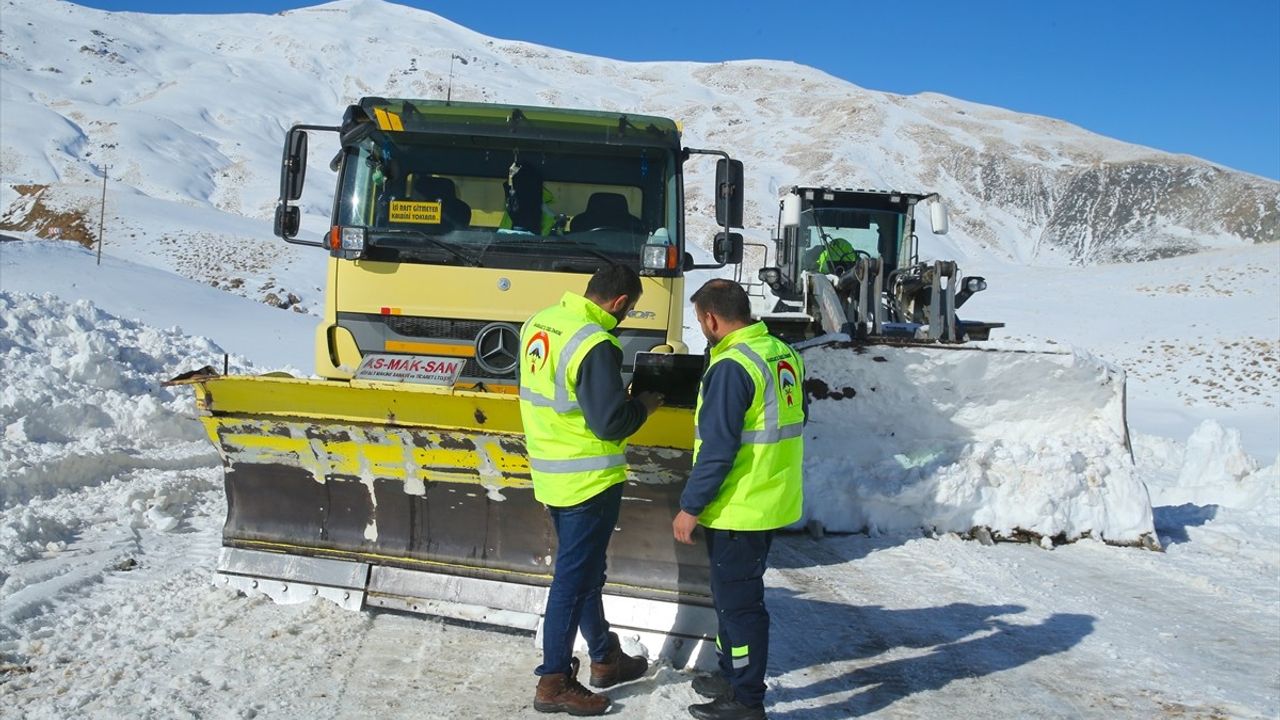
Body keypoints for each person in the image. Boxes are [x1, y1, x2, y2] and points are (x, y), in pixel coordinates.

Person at [519, 263, 665, 716]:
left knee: (585, 573)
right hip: (589, 481)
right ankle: (554, 680)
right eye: (630, 311)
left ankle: (604, 658)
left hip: (551, 473)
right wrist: (644, 403)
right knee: (572, 578)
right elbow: (610, 424)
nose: (625, 318)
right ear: (620, 303)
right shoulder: (595, 343)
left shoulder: (539, 322)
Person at [673, 279, 806, 720]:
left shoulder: (733, 367)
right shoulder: (781, 353)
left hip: (740, 506)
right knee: (731, 596)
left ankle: (746, 699)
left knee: (740, 606)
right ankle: (731, 673)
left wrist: (690, 507)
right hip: (768, 497)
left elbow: (718, 448)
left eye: (700, 322)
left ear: (711, 318)